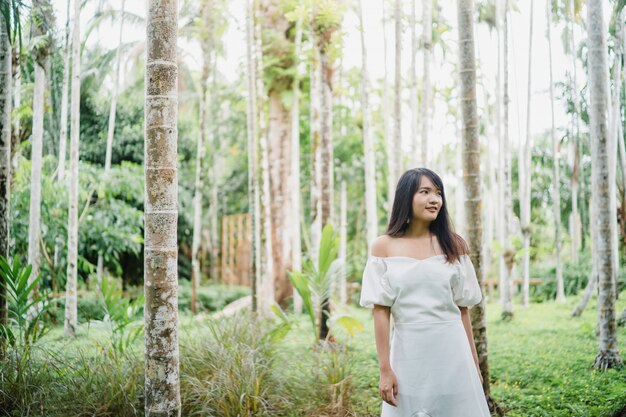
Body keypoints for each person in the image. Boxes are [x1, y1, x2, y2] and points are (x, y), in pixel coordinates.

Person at [360, 168, 490, 417]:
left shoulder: (454, 244)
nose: (435, 199)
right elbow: (380, 312)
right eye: (425, 192)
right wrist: (385, 369)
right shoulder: (383, 247)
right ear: (406, 198)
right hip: (408, 354)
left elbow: (462, 309)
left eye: (438, 193)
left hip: (453, 353)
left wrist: (472, 360)